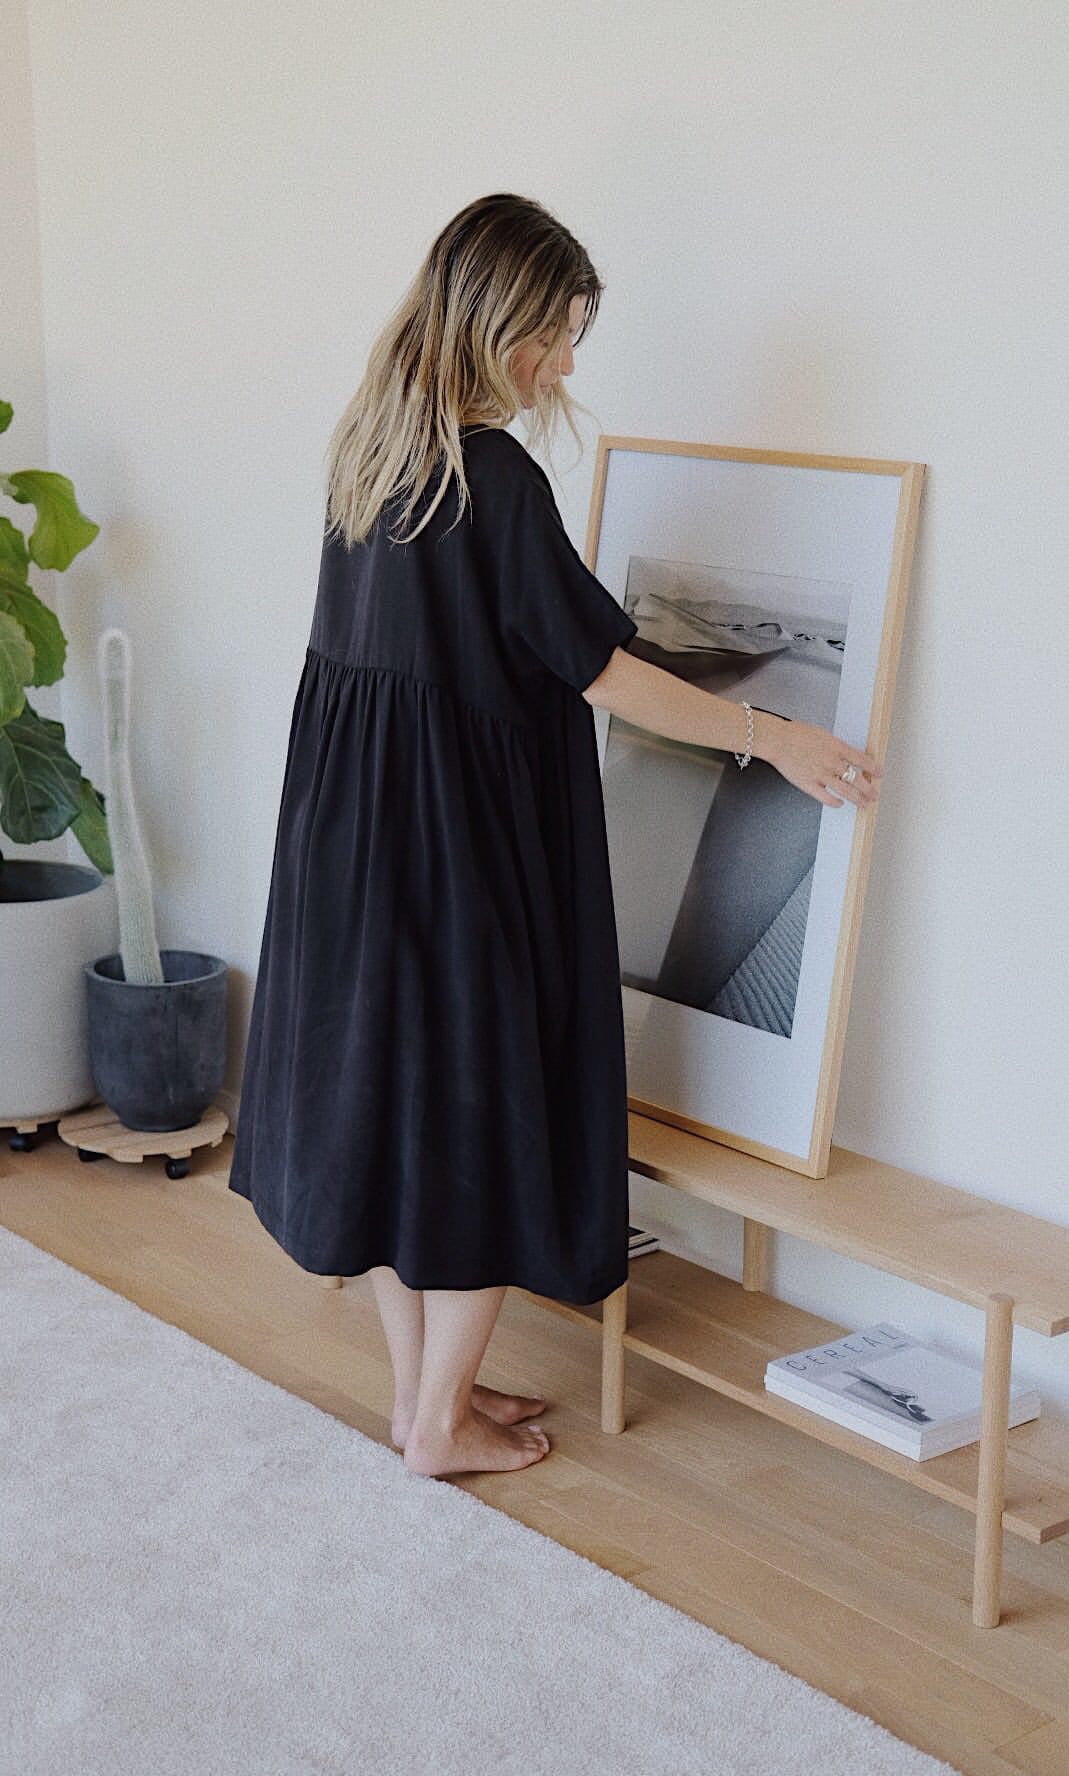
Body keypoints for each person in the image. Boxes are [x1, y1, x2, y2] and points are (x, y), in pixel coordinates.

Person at [227, 192, 883, 1481]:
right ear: (504, 324)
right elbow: (607, 672)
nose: (568, 364)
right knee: (486, 1119)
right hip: (464, 848)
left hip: (353, 846)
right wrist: (778, 738)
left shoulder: (374, 453)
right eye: (562, 333)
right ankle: (434, 1426)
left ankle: (429, 1403)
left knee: (405, 1122)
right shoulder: (496, 477)